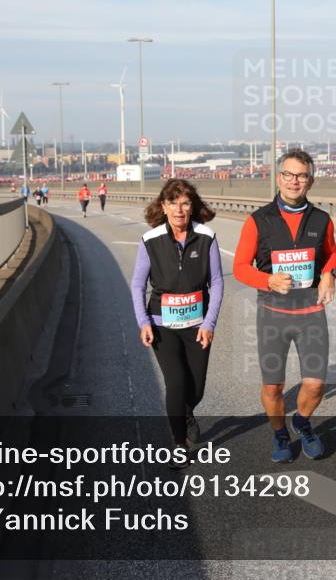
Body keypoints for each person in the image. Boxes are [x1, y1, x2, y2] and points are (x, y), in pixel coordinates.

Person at [233, 150, 336, 463]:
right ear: (278, 178)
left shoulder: (321, 219)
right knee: (273, 386)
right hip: (272, 315)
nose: (295, 181)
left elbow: (330, 254)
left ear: (311, 180)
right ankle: (280, 435)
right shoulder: (258, 221)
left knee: (316, 385)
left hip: (310, 314)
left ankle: (302, 422)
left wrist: (329, 274)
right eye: (289, 175)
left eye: (301, 175)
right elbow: (239, 266)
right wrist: (267, 281)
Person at [131, 179, 224, 470]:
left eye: (185, 203)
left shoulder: (206, 236)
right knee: (176, 382)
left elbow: (217, 282)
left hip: (198, 325)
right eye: (173, 203)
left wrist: (209, 324)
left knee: (195, 389)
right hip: (162, 324)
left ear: (192, 206)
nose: (179, 210)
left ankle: (185, 413)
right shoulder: (150, 240)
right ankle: (179, 444)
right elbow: (137, 284)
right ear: (163, 207)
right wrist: (143, 322)